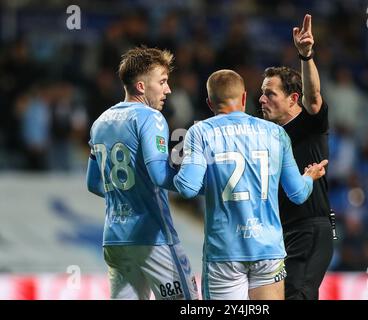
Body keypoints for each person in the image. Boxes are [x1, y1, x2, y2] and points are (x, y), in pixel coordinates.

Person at [173, 69, 328, 300]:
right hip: (268, 250)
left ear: (209, 102)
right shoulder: (275, 133)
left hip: (225, 252)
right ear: (244, 97)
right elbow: (298, 193)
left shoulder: (201, 131)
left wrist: (172, 170)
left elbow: (187, 188)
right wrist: (309, 177)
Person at [86, 46, 198, 300]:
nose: (168, 89)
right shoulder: (151, 118)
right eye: (162, 82)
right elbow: (159, 176)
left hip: (115, 239)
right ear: (140, 86)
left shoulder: (100, 121)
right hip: (152, 237)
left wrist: (127, 195)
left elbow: (93, 183)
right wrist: (191, 180)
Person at [259, 14, 334, 300]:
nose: (262, 100)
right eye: (261, 94)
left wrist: (306, 55)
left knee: (297, 294)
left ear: (293, 98)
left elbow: (313, 97)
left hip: (310, 228)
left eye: (270, 94)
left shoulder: (309, 124)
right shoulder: (264, 133)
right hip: (278, 232)